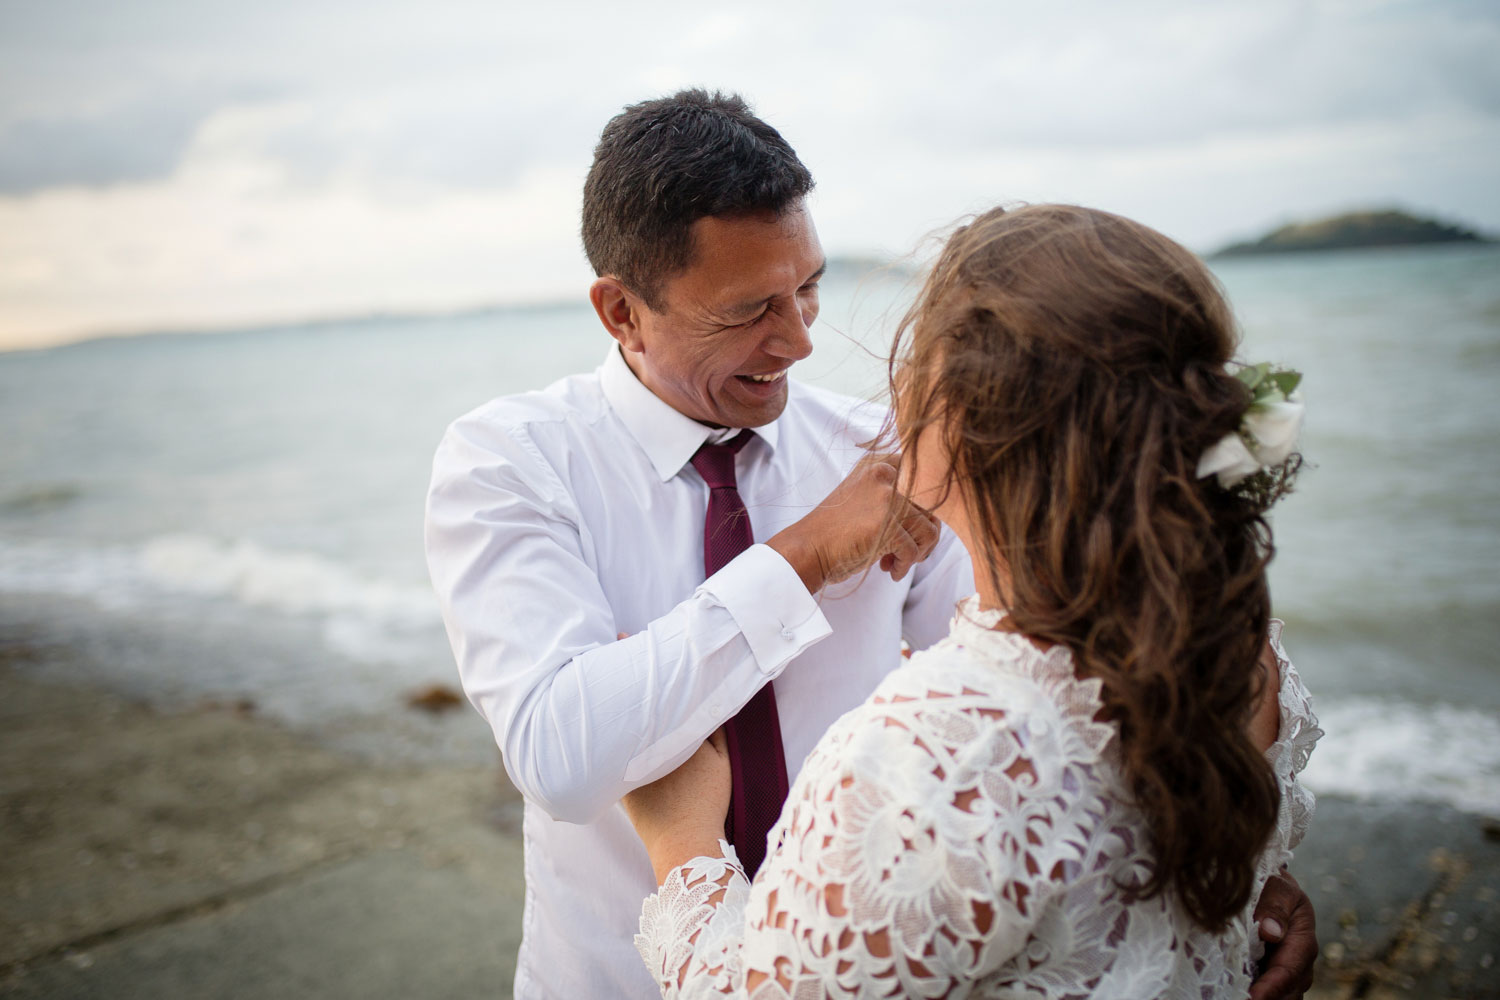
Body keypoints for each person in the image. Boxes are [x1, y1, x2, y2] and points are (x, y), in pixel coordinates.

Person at [424, 90, 1317, 999]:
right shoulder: (512, 460)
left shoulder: (886, 451)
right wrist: (803, 557)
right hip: (613, 976)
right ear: (621, 312)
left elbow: (1047, 701)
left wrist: (1229, 877)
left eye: (807, 287)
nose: (802, 340)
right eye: (748, 310)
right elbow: (562, 762)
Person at [624, 203, 1323, 998]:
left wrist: (681, 845)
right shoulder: (1240, 651)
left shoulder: (935, 760)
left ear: (958, 416)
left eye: (918, 356)